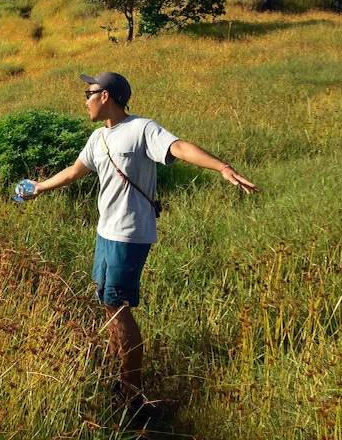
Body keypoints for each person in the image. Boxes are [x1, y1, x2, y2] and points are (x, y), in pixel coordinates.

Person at [19, 72, 258, 416]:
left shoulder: (142, 129)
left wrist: (221, 166)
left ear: (107, 97)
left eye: (89, 92)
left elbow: (178, 147)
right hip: (105, 231)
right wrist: (39, 187)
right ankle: (118, 374)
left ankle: (133, 394)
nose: (84, 98)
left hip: (129, 233)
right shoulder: (98, 138)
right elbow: (73, 173)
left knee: (118, 306)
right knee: (106, 301)